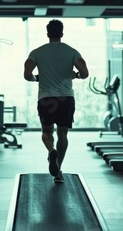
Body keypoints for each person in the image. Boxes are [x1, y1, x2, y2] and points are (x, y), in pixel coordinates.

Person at [23, 19, 89, 183]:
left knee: (47, 132)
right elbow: (85, 72)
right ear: (61, 33)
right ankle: (58, 169)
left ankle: (51, 150)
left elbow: (27, 74)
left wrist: (35, 78)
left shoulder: (37, 52)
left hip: (46, 98)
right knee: (63, 134)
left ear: (47, 33)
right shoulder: (71, 51)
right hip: (66, 97)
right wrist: (76, 75)